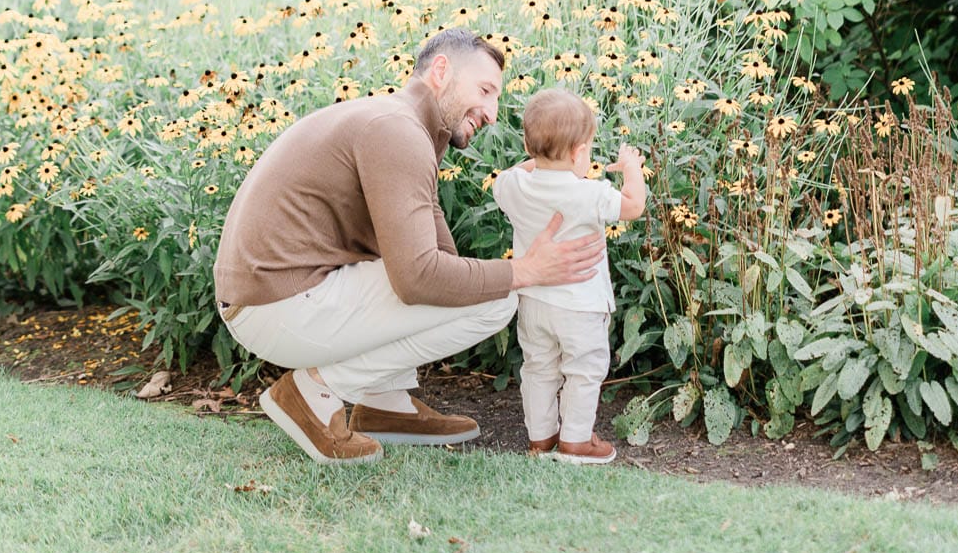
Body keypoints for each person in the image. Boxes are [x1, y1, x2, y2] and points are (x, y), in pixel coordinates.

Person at [213, 28, 604, 465]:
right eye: (485, 90)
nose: (493, 113)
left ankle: (386, 404)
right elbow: (419, 278)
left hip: (274, 300)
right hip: (278, 304)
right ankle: (313, 393)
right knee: (497, 300)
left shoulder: (403, 126)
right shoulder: (396, 132)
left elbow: (442, 264)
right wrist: (526, 271)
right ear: (441, 71)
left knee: (461, 284)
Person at [491, 88, 646, 464]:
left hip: (535, 302)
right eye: (588, 150)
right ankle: (576, 440)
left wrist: (539, 160)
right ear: (579, 153)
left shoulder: (513, 187)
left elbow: (510, 174)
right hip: (581, 306)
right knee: (583, 369)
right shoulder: (589, 193)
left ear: (528, 145)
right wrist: (632, 169)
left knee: (539, 368)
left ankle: (541, 439)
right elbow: (634, 206)